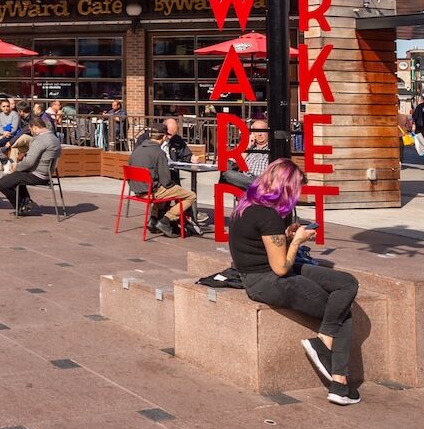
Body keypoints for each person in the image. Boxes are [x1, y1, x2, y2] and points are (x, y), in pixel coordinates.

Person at [230, 160, 361, 405]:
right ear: (285, 187)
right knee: (342, 311)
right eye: (296, 189)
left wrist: (287, 236)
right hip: (266, 281)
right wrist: (298, 241)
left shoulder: (247, 205)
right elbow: (280, 268)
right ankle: (338, 382)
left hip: (259, 274)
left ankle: (325, 339)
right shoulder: (267, 216)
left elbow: (262, 246)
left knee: (347, 284)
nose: (298, 195)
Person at [128, 122, 199, 235]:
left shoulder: (137, 149)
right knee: (190, 196)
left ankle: (153, 220)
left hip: (136, 189)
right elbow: (166, 181)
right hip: (150, 191)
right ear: (164, 137)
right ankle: (165, 220)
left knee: (162, 189)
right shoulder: (159, 153)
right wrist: (174, 187)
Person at [0, 115, 60, 214]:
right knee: (16, 177)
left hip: (39, 175)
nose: (31, 132)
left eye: (31, 130)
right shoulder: (54, 138)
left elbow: (29, 162)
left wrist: (16, 168)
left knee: (2, 183)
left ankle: (21, 205)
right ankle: (26, 202)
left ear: (35, 127)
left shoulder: (40, 139)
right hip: (48, 173)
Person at [220, 118, 272, 191]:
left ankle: (255, 187)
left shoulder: (272, 148)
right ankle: (255, 187)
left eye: (262, 131)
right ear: (252, 134)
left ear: (267, 132)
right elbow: (230, 165)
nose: (260, 134)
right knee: (227, 173)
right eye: (256, 131)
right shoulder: (249, 148)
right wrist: (247, 146)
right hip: (246, 179)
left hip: (263, 180)